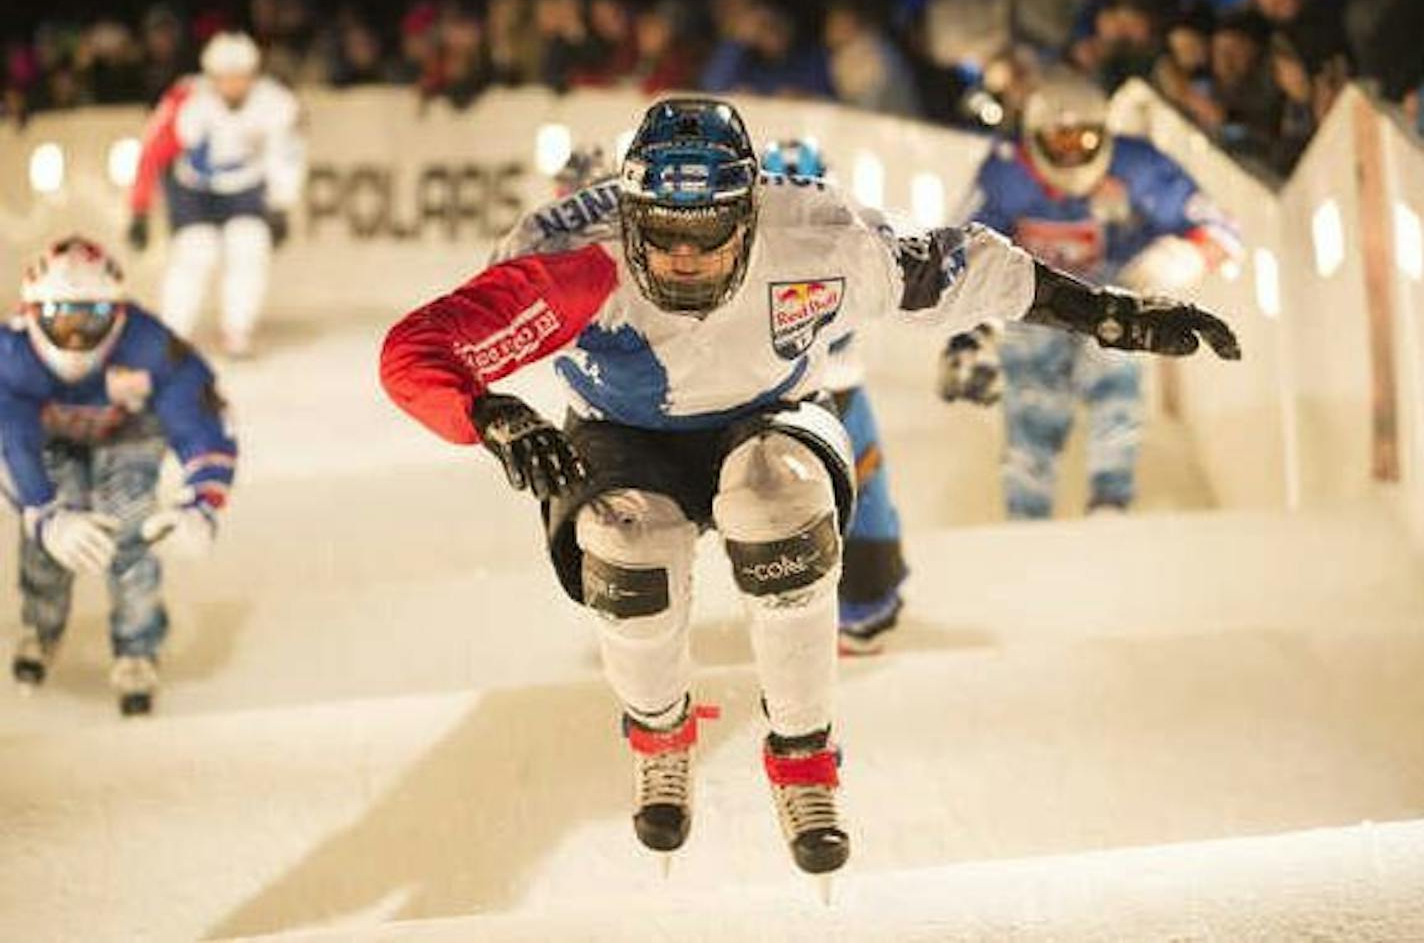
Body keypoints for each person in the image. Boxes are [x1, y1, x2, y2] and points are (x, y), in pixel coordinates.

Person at [380, 97, 1239, 879]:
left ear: (753, 213)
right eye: (664, 233)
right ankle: (658, 732)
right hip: (620, 432)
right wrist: (490, 413)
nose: (683, 257)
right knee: (628, 545)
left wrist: (1112, 314)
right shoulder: (566, 262)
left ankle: (803, 759)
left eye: (709, 233)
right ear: (629, 213)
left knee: (778, 501)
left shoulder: (823, 235)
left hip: (768, 414)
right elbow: (417, 349)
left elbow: (964, 268)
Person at [938, 71, 1241, 520]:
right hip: (1035, 301)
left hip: (1116, 293)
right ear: (1034, 139)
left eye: (1083, 140)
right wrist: (974, 329)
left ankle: (1110, 502)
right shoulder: (1005, 170)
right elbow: (959, 251)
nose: (1072, 153)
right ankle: (1027, 512)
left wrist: (1177, 259)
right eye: (1059, 141)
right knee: (1032, 401)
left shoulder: (1140, 166)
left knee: (1116, 376)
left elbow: (1223, 229)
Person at [1, 236, 237, 715]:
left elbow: (205, 421)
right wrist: (44, 512)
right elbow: (9, 441)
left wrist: (201, 506)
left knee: (131, 522)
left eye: (92, 318)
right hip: (51, 443)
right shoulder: (9, 355)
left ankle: (137, 645)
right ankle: (40, 624)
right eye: (61, 318)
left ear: (120, 313)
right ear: (31, 314)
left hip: (128, 433)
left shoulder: (152, 345)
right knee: (52, 536)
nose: (75, 335)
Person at [761, 138, 907, 655]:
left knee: (860, 496)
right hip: (776, 399)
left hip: (833, 391)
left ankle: (865, 604)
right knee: (780, 508)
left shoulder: (855, 234)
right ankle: (803, 616)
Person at [126, 31, 306, 358]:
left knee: (249, 243)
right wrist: (139, 208)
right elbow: (153, 150)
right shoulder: (187, 99)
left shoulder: (276, 103)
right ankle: (173, 335)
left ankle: (238, 330)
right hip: (192, 188)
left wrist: (281, 205)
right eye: (225, 79)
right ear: (211, 77)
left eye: (242, 78)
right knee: (197, 249)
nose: (234, 87)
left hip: (245, 187)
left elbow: (287, 155)